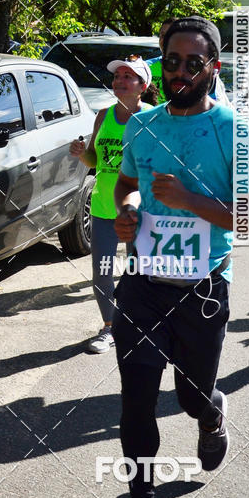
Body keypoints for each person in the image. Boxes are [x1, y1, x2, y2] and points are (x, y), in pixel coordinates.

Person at [106, 16, 249, 498]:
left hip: (203, 288)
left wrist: (190, 199)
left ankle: (211, 413)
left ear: (213, 67)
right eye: (170, 61)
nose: (179, 72)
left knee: (190, 394)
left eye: (192, 62)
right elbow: (126, 184)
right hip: (142, 285)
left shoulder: (237, 131)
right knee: (135, 398)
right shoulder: (143, 125)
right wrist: (128, 212)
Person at [70, 56, 154, 353]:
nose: (119, 81)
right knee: (102, 272)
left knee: (137, 273)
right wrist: (82, 153)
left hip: (140, 210)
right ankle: (109, 328)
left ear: (143, 86)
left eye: (127, 77)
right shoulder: (103, 115)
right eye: (117, 76)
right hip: (104, 205)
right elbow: (95, 160)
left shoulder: (154, 117)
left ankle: (136, 324)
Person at [148, 16, 231, 106]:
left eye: (194, 65)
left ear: (215, 68)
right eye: (172, 63)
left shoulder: (226, 118)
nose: (180, 72)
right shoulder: (146, 67)